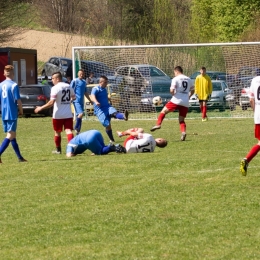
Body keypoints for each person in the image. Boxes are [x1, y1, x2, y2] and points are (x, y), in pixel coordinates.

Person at [35, 71, 75, 154]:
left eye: (52, 78)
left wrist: (41, 108)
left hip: (58, 115)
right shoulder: (68, 86)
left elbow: (51, 102)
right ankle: (71, 150)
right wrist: (67, 102)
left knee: (57, 132)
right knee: (69, 131)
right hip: (68, 114)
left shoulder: (55, 88)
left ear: (57, 79)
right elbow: (74, 97)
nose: (52, 80)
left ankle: (58, 150)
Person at [150, 66, 194, 141]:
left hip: (176, 100)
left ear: (176, 71)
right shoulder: (189, 79)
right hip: (185, 101)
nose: (174, 74)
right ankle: (183, 132)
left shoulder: (175, 79)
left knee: (163, 111)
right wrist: (188, 96)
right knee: (181, 120)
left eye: (174, 73)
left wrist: (173, 94)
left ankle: (158, 124)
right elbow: (193, 90)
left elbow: (171, 90)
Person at [0, 65, 27, 163]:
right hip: (11, 112)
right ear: (13, 74)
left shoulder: (0, 85)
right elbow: (18, 101)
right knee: (10, 135)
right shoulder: (14, 85)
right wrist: (21, 110)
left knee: (13, 135)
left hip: (4, 113)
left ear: (4, 74)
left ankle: (20, 157)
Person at [91, 75, 129, 143]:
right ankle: (111, 139)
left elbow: (104, 96)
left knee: (114, 113)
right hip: (100, 110)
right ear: (101, 82)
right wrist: (96, 102)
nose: (106, 84)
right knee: (107, 125)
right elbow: (92, 96)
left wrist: (108, 99)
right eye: (105, 82)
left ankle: (124, 116)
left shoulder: (104, 89)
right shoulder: (96, 89)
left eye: (107, 82)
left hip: (107, 107)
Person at [240, 76, 260, 176]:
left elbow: (251, 100)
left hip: (258, 116)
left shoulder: (255, 80)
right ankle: (246, 159)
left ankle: (246, 160)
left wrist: (256, 112)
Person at [70, 69, 92, 135]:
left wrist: (90, 100)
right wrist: (70, 98)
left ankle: (78, 131)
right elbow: (70, 89)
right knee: (81, 114)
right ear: (78, 74)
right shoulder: (75, 81)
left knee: (79, 116)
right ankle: (76, 127)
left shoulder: (84, 82)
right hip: (76, 100)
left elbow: (85, 92)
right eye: (80, 73)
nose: (81, 75)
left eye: (82, 74)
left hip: (81, 101)